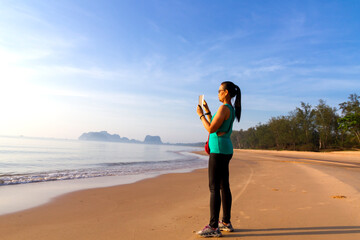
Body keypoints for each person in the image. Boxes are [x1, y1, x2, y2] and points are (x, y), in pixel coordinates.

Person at [196, 81, 241, 238]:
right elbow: (217, 125)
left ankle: (214, 226)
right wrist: (208, 112)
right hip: (225, 149)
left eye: (219, 90)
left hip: (219, 150)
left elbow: (210, 128)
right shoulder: (230, 109)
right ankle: (226, 222)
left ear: (226, 92)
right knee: (224, 186)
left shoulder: (223, 108)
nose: (218, 93)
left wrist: (200, 115)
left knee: (214, 188)